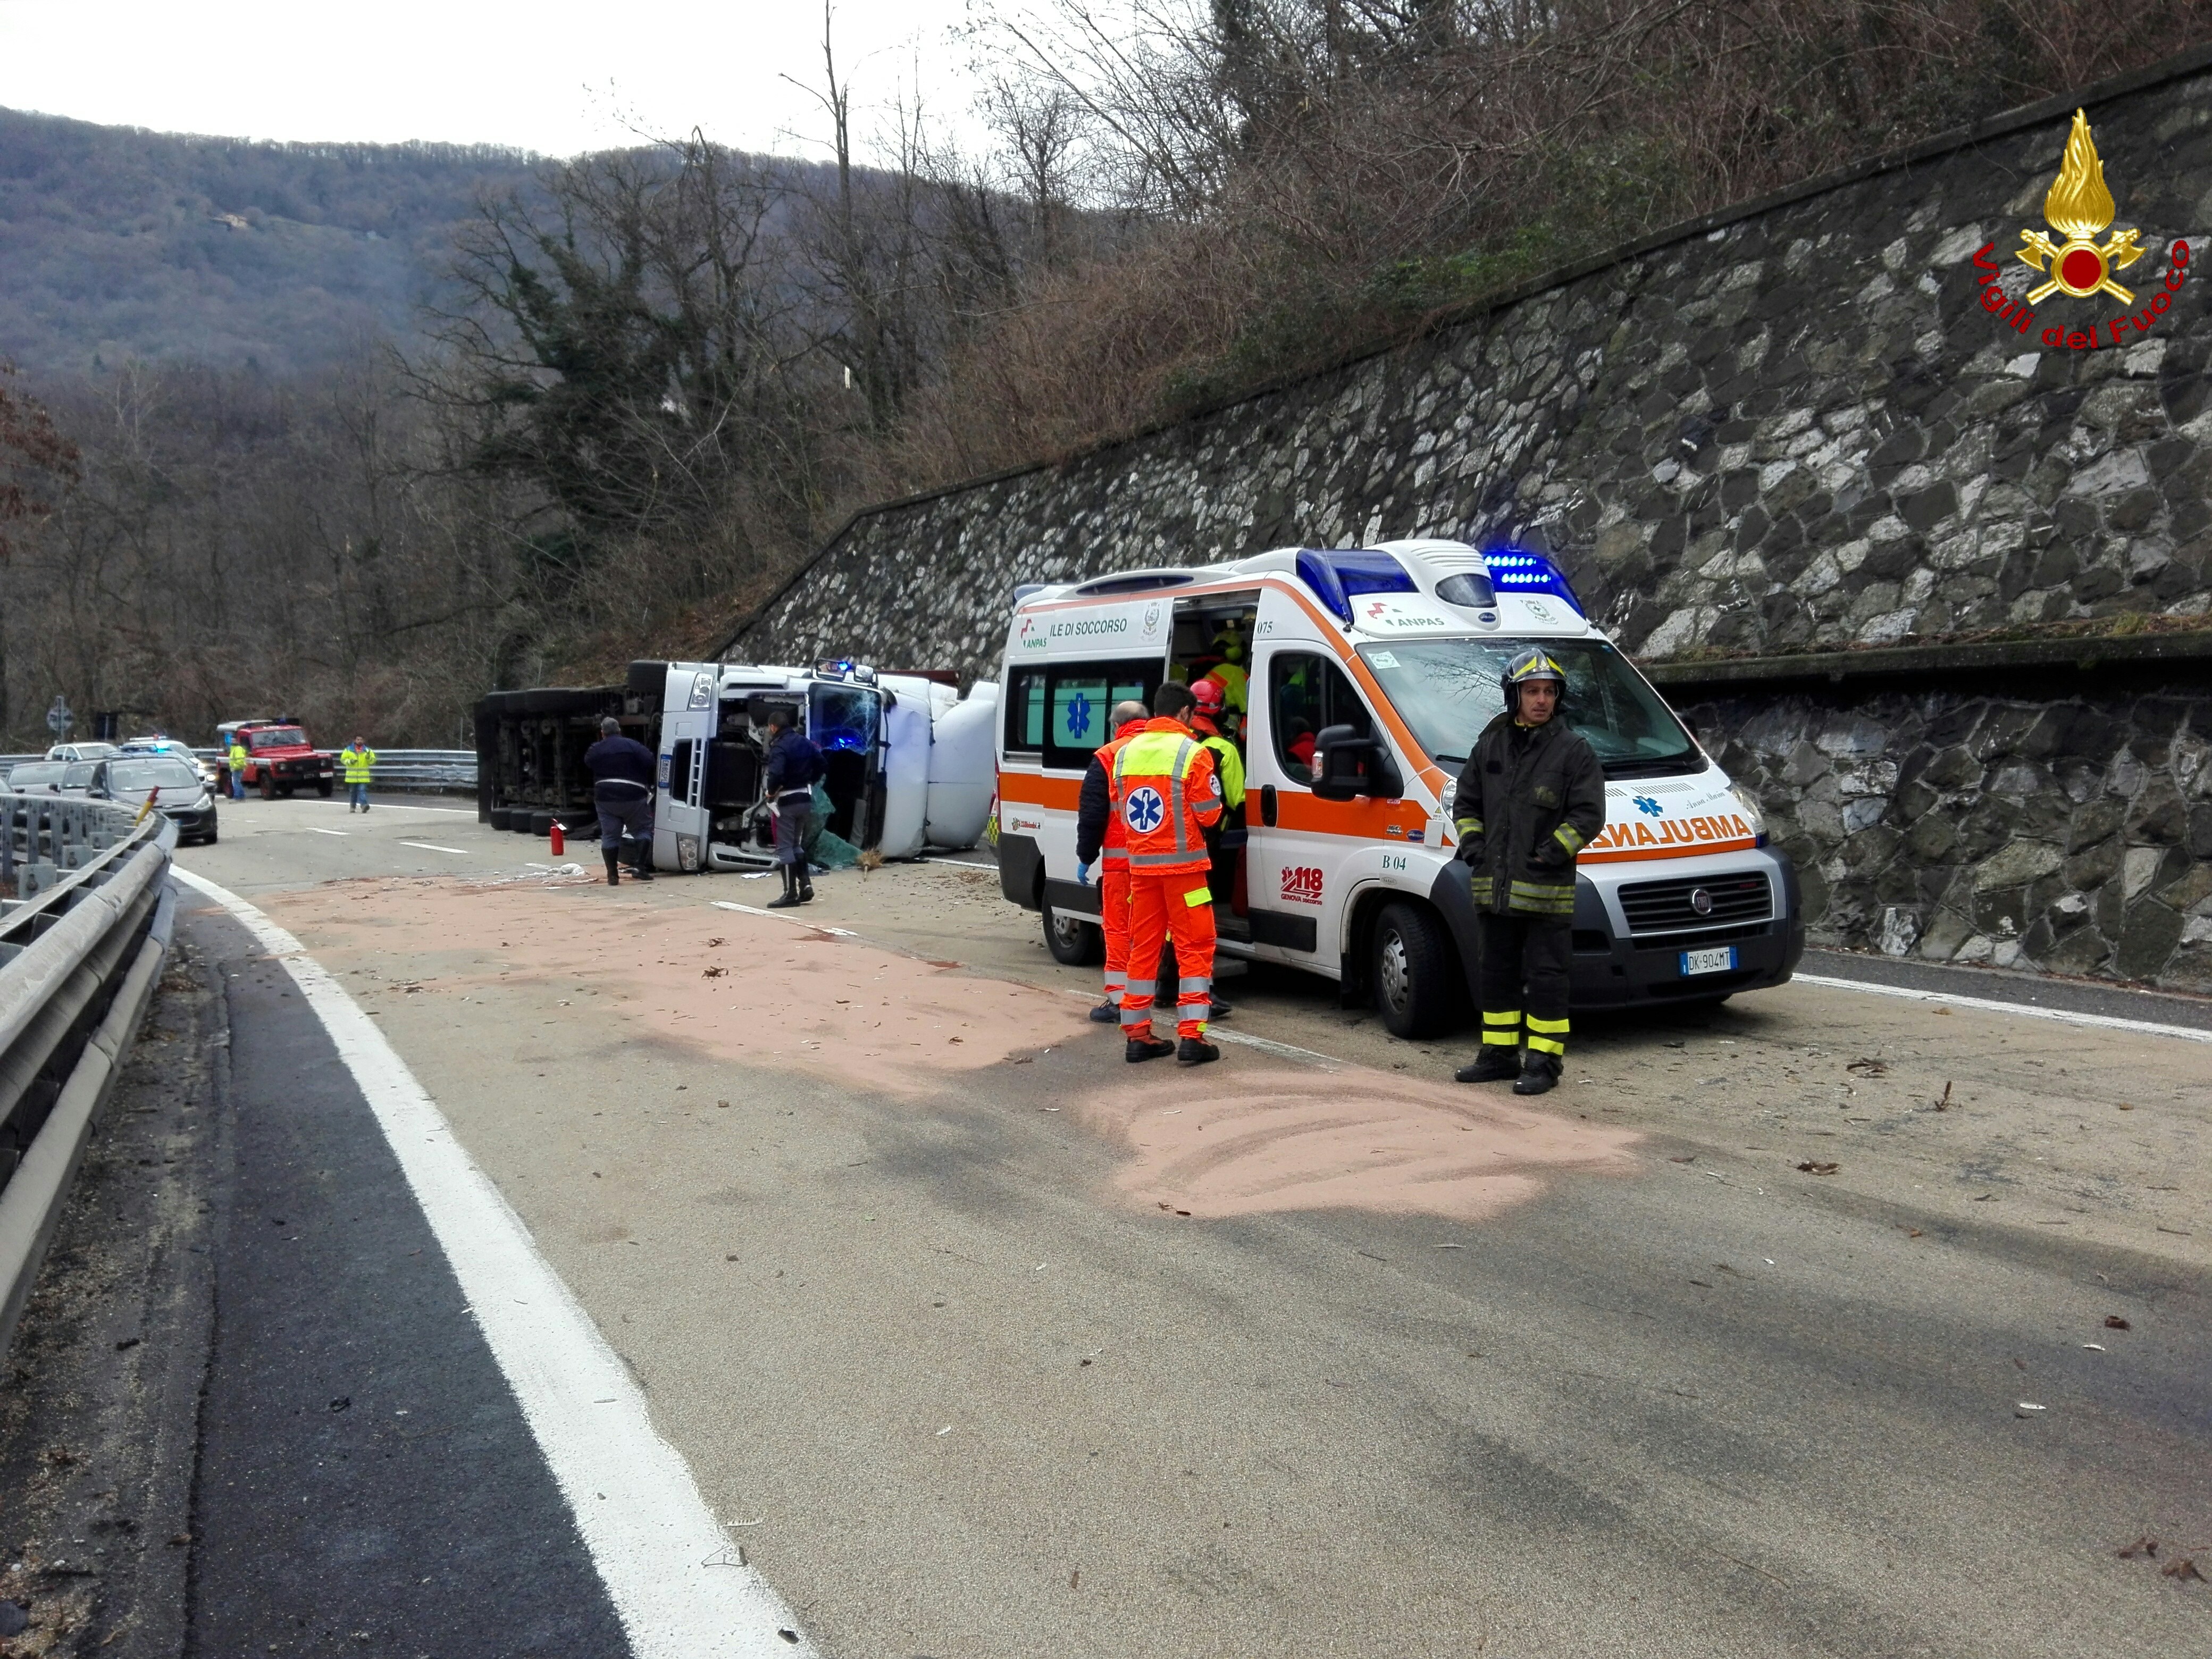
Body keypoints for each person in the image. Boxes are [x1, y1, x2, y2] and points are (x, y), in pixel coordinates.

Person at [1450, 648, 1604, 1096]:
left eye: (1549, 692)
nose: (1541, 700)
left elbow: (1589, 815)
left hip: (1545, 892)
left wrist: (1551, 854)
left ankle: (1544, 1064)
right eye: (1532, 691)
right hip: (1493, 890)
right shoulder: (1490, 744)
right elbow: (1467, 803)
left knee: (1547, 979)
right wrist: (1474, 846)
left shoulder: (1573, 751)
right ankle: (1498, 1055)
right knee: (1495, 973)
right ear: (1513, 695)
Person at [1112, 682, 1225, 1066]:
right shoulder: (1194, 753)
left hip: (1141, 874)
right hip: (1185, 873)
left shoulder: (1124, 755)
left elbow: (1120, 809)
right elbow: (1210, 814)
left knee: (1143, 949)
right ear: (1184, 714)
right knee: (1194, 948)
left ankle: (1137, 1035)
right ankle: (1193, 1036)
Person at [1075, 700, 1152, 1022]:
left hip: (1123, 866)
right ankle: (1166, 993)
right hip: (1167, 864)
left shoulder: (1108, 756)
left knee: (1120, 931)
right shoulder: (1175, 752)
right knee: (1157, 930)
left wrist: (1085, 856)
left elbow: (1093, 814)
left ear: (1116, 726)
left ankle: (1122, 1001)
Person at [582, 715, 656, 886]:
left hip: (606, 798)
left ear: (603, 733)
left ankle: (612, 875)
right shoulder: (633, 745)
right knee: (643, 831)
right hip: (634, 796)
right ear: (619, 731)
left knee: (610, 836)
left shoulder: (596, 749)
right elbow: (650, 761)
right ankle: (639, 868)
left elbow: (588, 762)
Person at [762, 706, 822, 909]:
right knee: (797, 845)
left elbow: (776, 774)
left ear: (773, 727)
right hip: (805, 800)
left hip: (786, 802)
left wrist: (771, 792)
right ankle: (805, 885)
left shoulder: (779, 747)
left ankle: (790, 894)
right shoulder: (804, 742)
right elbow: (822, 764)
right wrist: (810, 781)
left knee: (785, 847)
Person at [339, 734, 376, 812]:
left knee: (362, 790)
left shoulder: (368, 751)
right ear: (355, 741)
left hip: (363, 777)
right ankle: (353, 806)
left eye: (361, 740)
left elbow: (373, 761)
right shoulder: (348, 750)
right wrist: (350, 762)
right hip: (352, 777)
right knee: (353, 792)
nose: (360, 741)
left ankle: (364, 806)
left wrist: (368, 758)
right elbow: (343, 759)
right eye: (358, 740)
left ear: (364, 741)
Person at [225, 734, 248, 800]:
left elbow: (240, 760)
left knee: (236, 783)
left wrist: (235, 767)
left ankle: (238, 796)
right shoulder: (234, 749)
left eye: (234, 740)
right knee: (237, 782)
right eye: (232, 740)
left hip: (237, 768)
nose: (232, 742)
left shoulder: (237, 749)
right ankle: (241, 796)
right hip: (237, 768)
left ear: (237, 741)